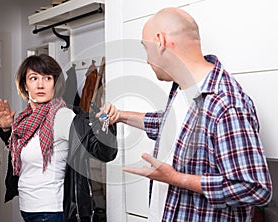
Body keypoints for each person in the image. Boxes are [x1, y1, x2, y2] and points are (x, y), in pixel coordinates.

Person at [105, 7, 272, 222]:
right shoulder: (183, 89)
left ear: (161, 41)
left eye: (146, 48)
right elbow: (170, 125)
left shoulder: (226, 103)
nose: (147, 59)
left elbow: (254, 188)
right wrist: (120, 115)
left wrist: (177, 179)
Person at [0, 54, 117, 222]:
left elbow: (103, 152)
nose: (40, 85)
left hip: (52, 210)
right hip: (28, 207)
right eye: (33, 78)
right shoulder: (25, 119)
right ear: (25, 85)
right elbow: (23, 152)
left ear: (55, 84)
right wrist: (7, 129)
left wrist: (106, 122)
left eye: (47, 78)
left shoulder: (62, 116)